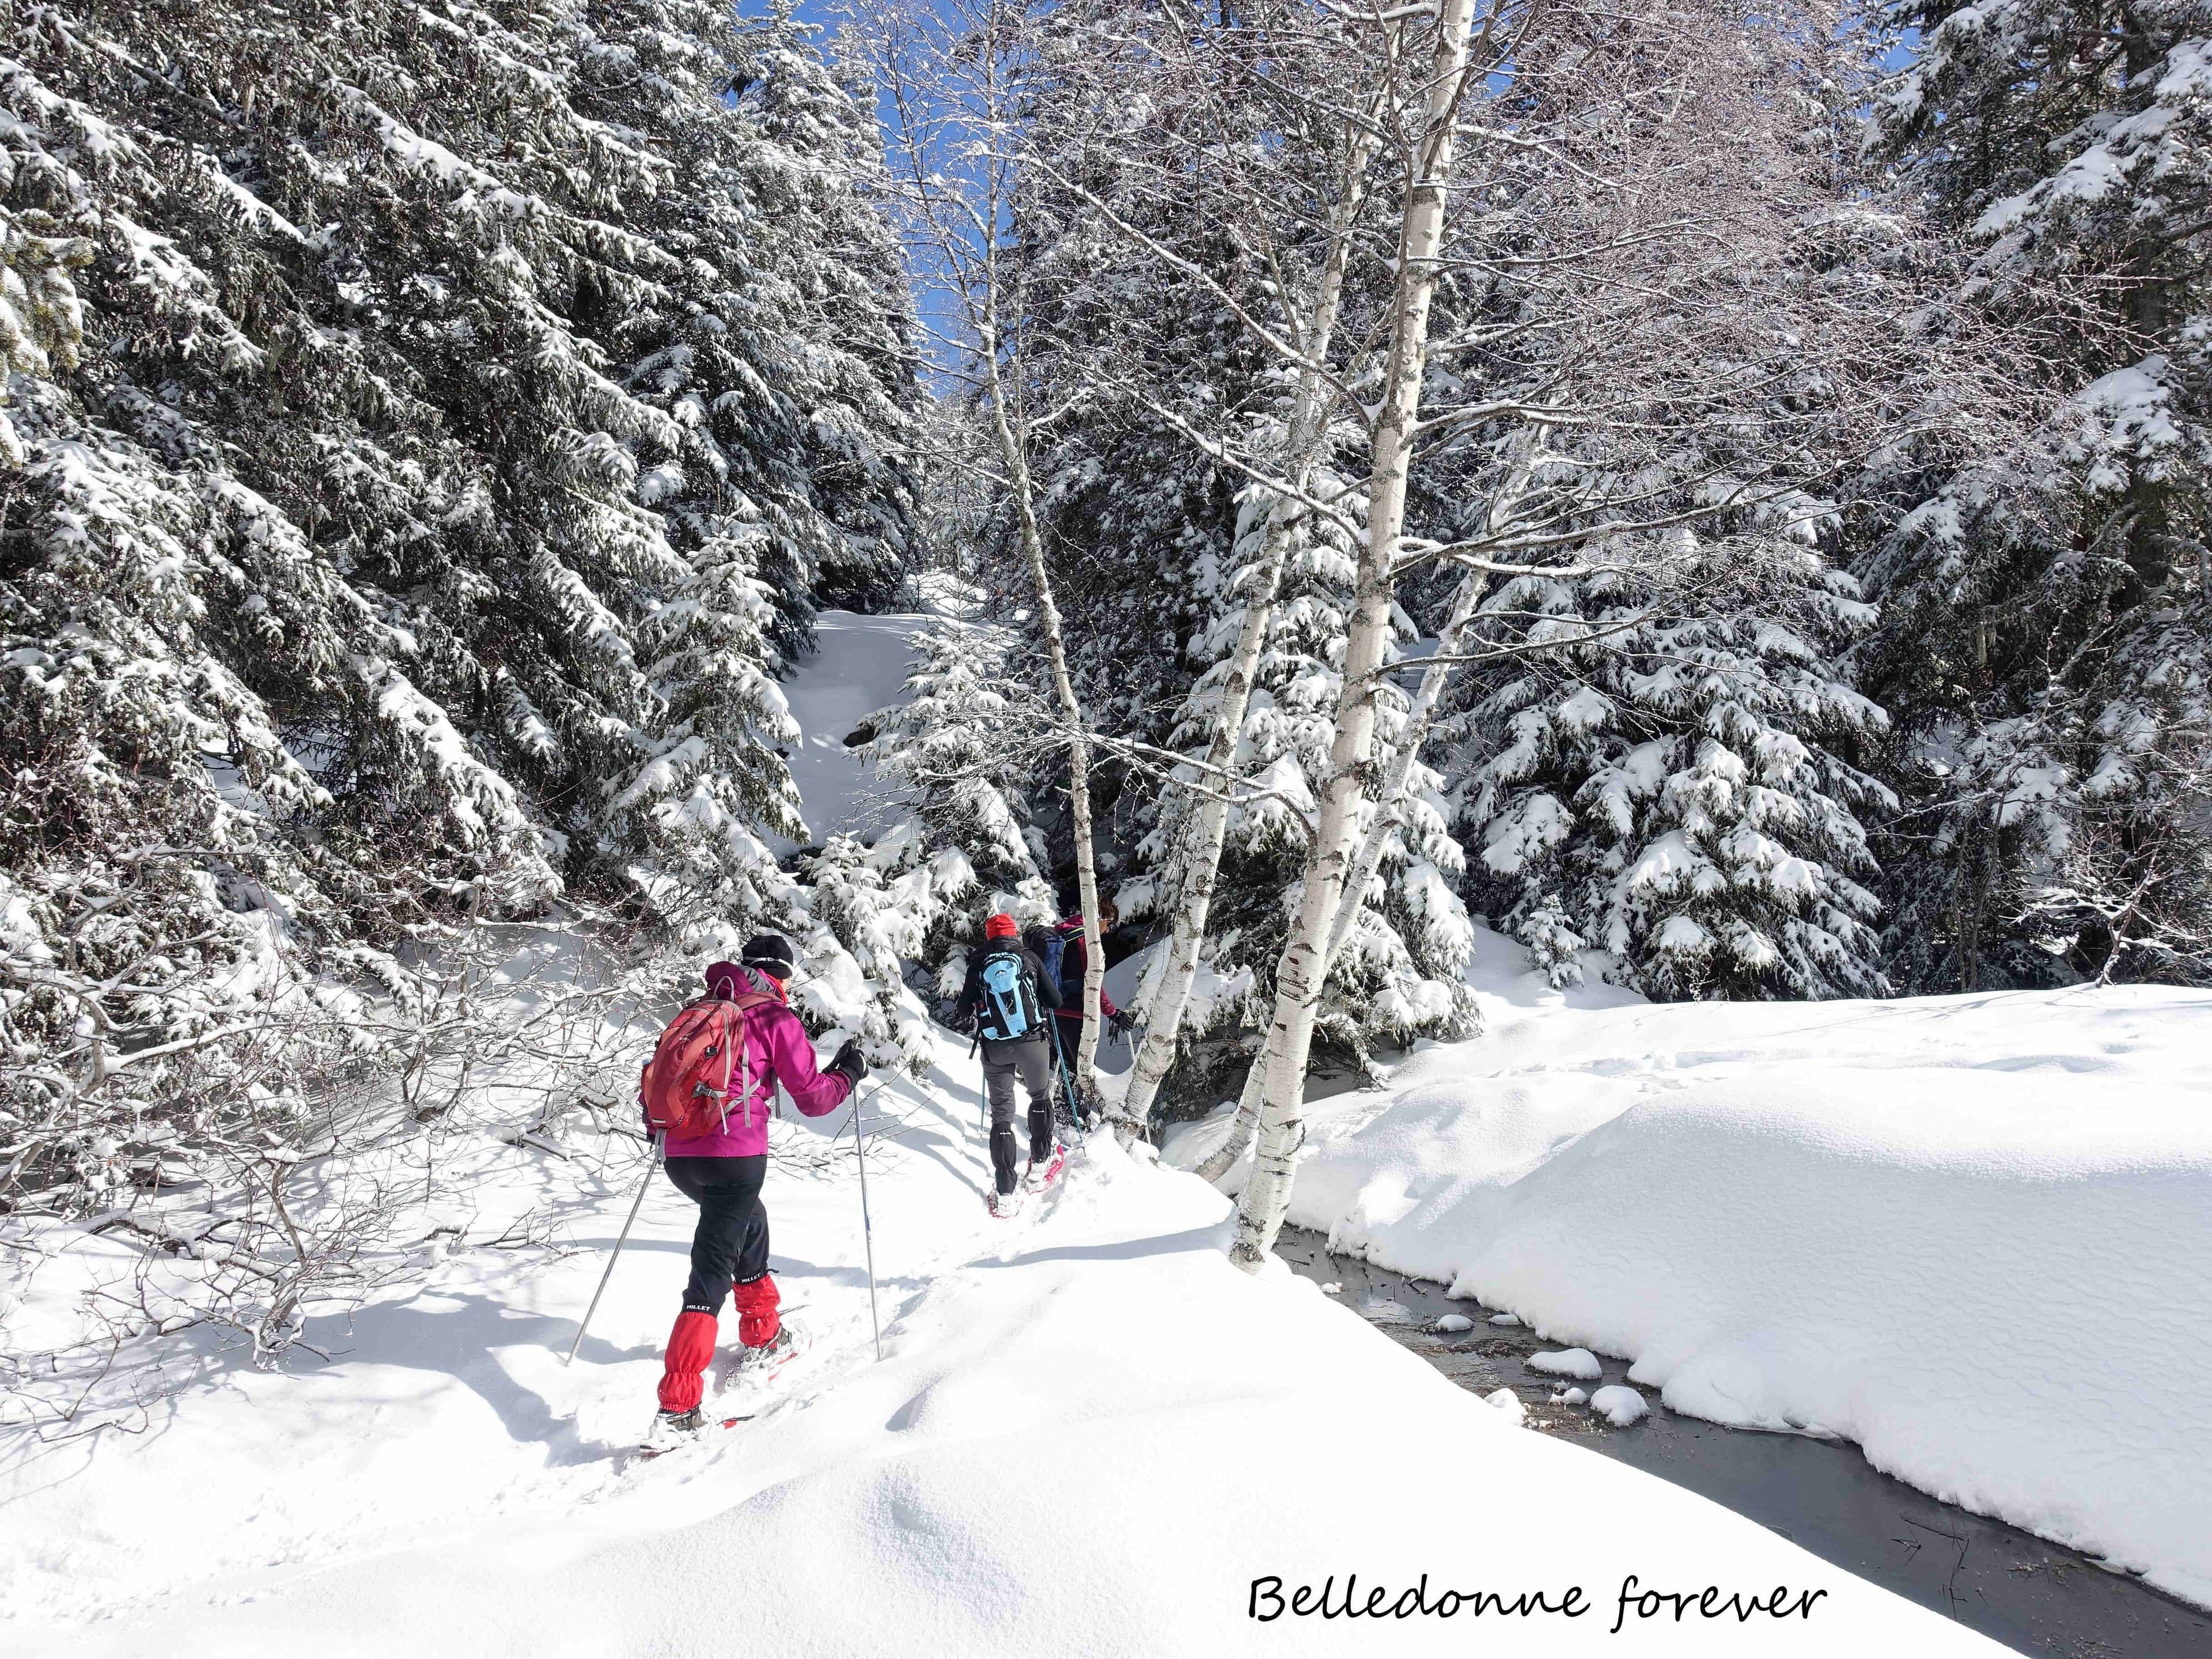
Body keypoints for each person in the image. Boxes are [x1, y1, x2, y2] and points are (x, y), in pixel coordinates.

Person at [650, 933, 867, 1438]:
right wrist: (848, 1075)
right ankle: (678, 1407)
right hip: (735, 1154)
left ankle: (764, 1331)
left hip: (680, 1154)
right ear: (782, 977)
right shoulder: (774, 1017)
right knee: (710, 1274)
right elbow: (812, 1099)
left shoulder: (701, 1008)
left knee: (750, 1222)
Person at [956, 912, 1062, 1215]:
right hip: (1033, 1043)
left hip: (995, 1047)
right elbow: (1055, 1001)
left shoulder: (979, 963)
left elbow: (963, 1010)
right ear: (1014, 933)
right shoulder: (1027, 957)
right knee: (1040, 1097)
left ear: (990, 936)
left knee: (1002, 1116)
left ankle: (1005, 1193)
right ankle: (1040, 1164)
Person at [1044, 905, 1134, 1120]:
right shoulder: (1085, 941)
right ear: (1100, 917)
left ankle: (1062, 1111)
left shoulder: (1062, 933)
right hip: (1075, 1012)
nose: (1106, 931)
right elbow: (1094, 984)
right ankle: (1073, 1116)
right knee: (1081, 1067)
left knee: (1065, 1064)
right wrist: (1113, 1014)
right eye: (1108, 924)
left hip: (1054, 1011)